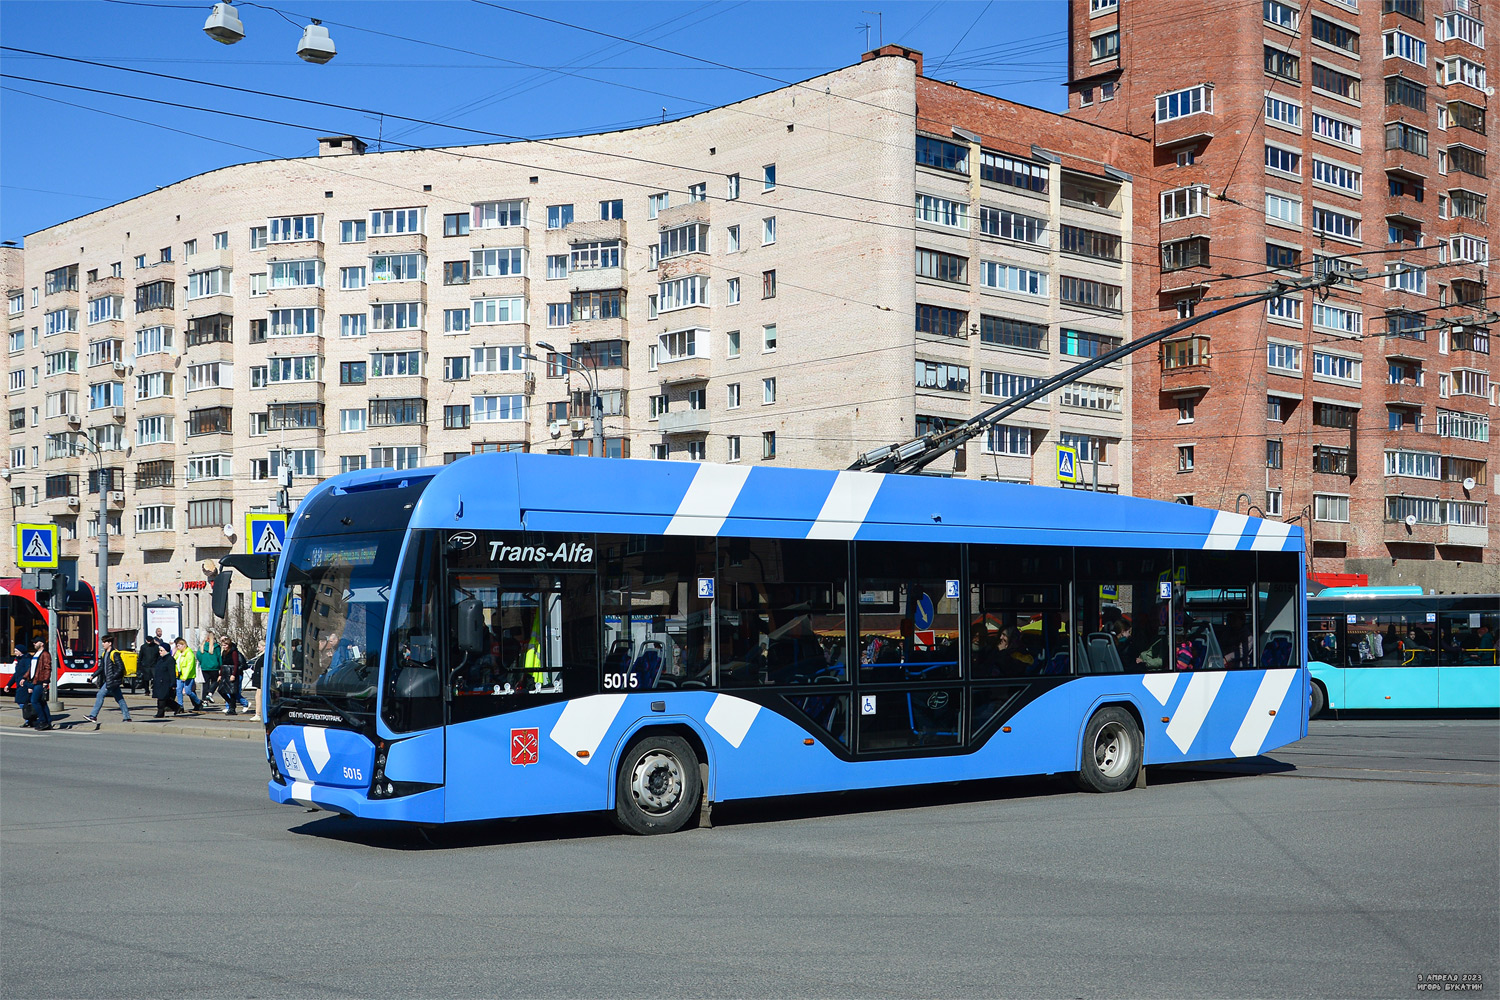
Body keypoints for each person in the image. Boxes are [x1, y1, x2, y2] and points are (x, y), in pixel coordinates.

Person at [84, 635, 132, 726]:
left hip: (112, 681)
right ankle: (127, 717)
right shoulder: (104, 653)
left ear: (109, 643)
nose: (102, 644)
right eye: (102, 642)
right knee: (120, 699)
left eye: (104, 642)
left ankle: (93, 715)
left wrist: (113, 677)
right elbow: (101, 667)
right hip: (111, 680)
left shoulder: (115, 654)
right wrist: (93, 676)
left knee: (100, 694)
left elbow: (120, 667)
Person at [151, 634, 180, 718]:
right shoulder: (160, 659)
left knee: (162, 699)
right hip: (159, 681)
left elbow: (172, 672)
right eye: (159, 650)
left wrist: (173, 684)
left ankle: (160, 713)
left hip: (165, 682)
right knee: (165, 699)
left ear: (166, 651)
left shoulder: (170, 659)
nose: (160, 652)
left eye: (161, 650)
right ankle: (177, 707)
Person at [28, 639, 53, 730]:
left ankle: (42, 721)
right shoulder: (36, 654)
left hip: (40, 681)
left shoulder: (45, 654)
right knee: (42, 702)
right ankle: (48, 722)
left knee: (34, 700)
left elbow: (47, 668)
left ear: (42, 643)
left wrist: (46, 681)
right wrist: (24, 678)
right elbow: (32, 669)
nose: (34, 643)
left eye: (36, 642)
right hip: (35, 681)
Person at [221, 640, 251, 715]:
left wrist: (234, 674)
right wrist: (220, 674)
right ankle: (231, 705)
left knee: (233, 692)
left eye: (225, 645)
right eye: (223, 645)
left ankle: (232, 707)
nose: (223, 647)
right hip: (225, 673)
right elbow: (223, 664)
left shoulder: (234, 652)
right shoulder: (224, 653)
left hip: (234, 673)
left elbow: (237, 664)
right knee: (222, 690)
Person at [172, 638, 201, 714]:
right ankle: (180, 706)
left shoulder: (189, 654)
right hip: (179, 675)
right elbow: (174, 662)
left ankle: (198, 702)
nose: (177, 647)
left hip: (188, 676)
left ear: (184, 645)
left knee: (188, 691)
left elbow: (189, 666)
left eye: (179, 646)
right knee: (178, 690)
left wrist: (185, 676)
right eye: (177, 646)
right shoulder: (178, 653)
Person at [197, 633, 223, 707]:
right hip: (214, 667)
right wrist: (221, 666)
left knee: (205, 684)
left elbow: (198, 656)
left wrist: (203, 662)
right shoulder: (216, 647)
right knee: (216, 681)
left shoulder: (202, 646)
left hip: (204, 667)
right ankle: (210, 693)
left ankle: (204, 701)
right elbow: (219, 657)